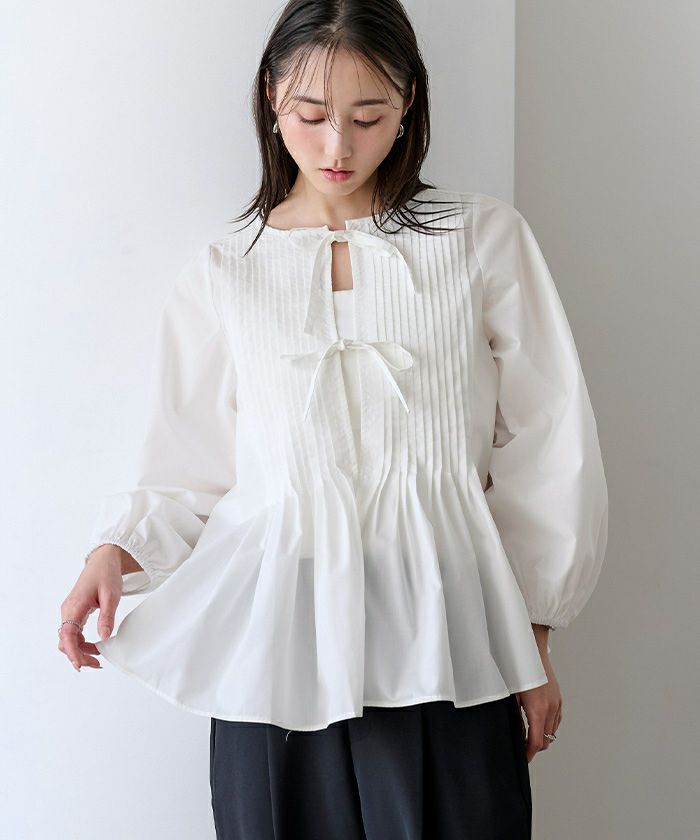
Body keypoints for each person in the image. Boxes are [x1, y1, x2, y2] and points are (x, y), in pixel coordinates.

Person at [58, 1, 609, 837]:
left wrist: (531, 635)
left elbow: (551, 444)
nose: (337, 148)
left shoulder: (481, 238)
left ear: (409, 102)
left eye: (368, 116)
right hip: (273, 651)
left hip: (449, 636)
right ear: (271, 99)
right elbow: (189, 467)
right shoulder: (226, 271)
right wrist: (114, 551)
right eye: (311, 116)